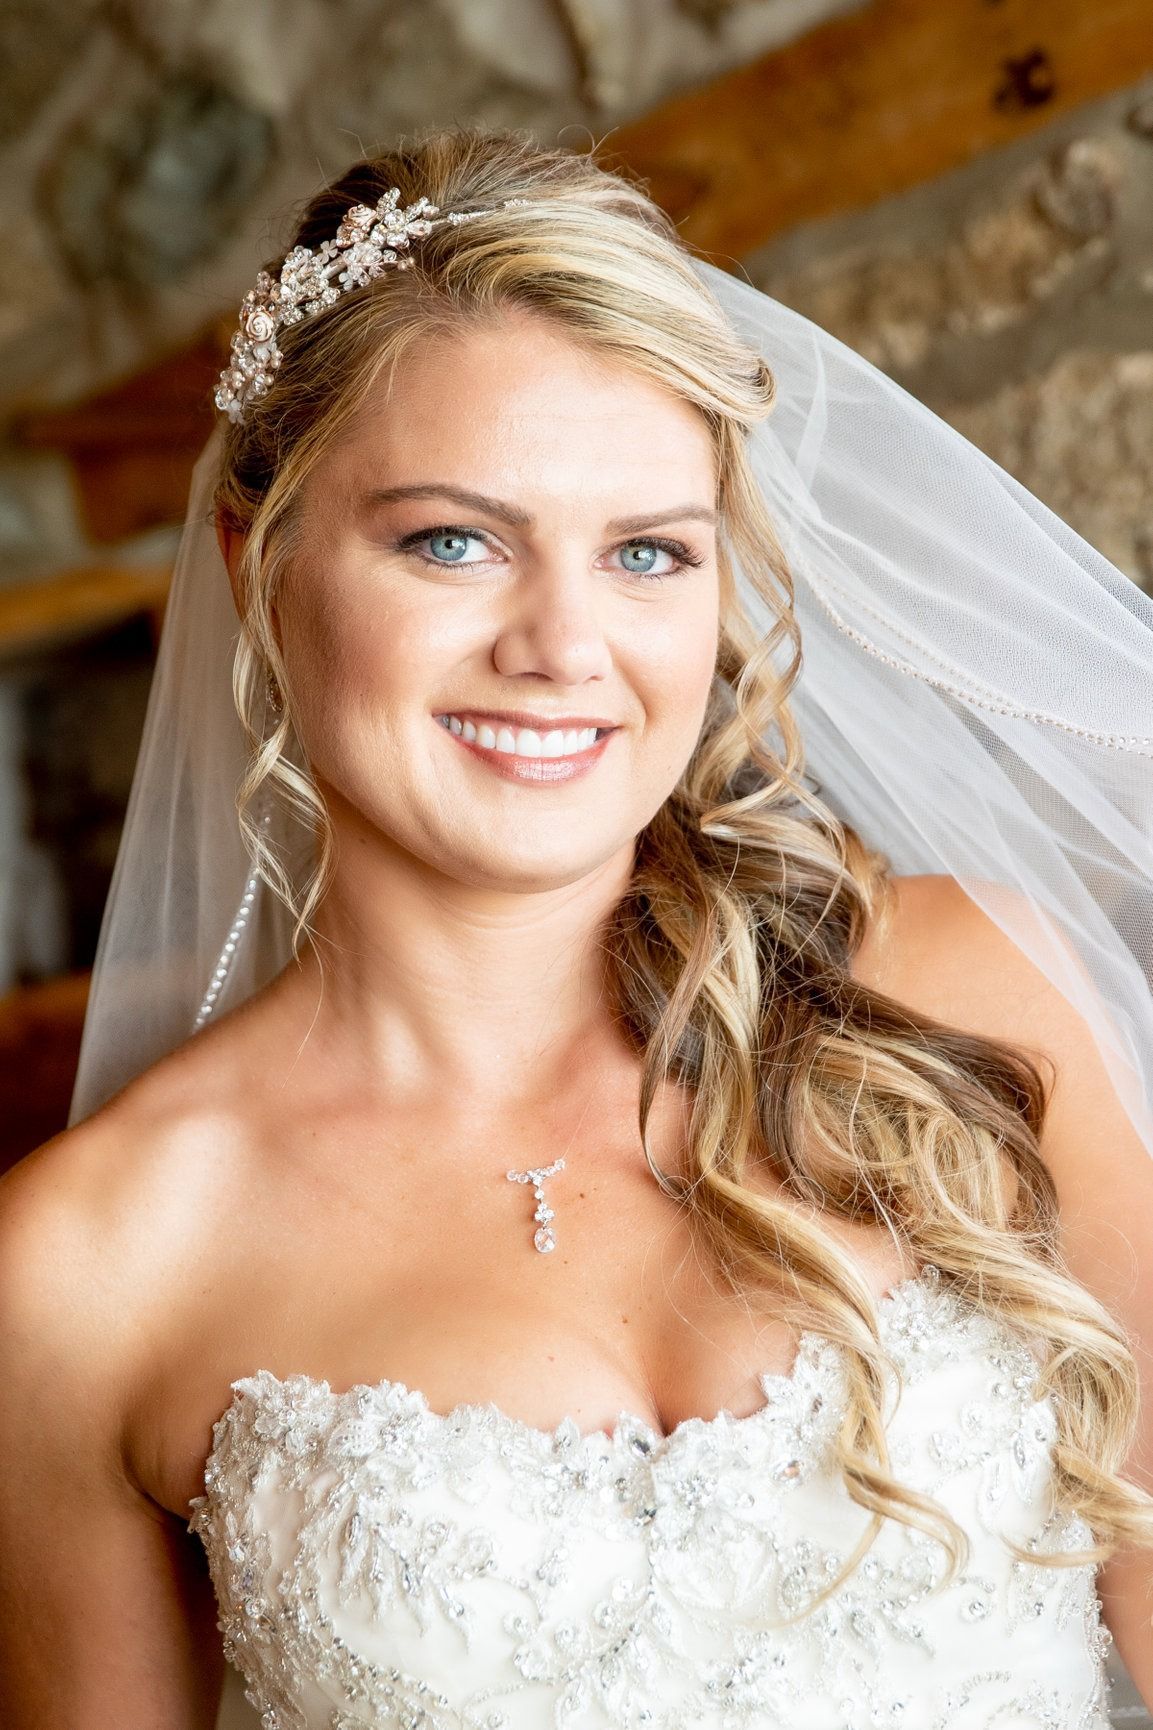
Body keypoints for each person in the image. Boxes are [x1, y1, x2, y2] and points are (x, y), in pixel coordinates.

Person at [1, 126, 1151, 1729]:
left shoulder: (978, 1001)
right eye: (451, 541)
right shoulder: (86, 1271)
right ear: (257, 564)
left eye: (645, 553)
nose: (561, 644)